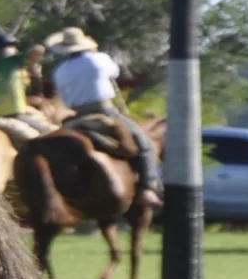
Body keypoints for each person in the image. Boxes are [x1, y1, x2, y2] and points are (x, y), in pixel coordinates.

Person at [43, 27, 161, 198]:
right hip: (104, 111)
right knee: (145, 144)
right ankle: (148, 188)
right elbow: (115, 72)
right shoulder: (99, 59)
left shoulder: (60, 70)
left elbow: (64, 94)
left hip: (76, 115)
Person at [0, 32, 31, 118]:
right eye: (12, 47)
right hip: (14, 113)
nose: (16, 50)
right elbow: (36, 50)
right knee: (47, 130)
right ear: (0, 50)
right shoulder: (9, 62)